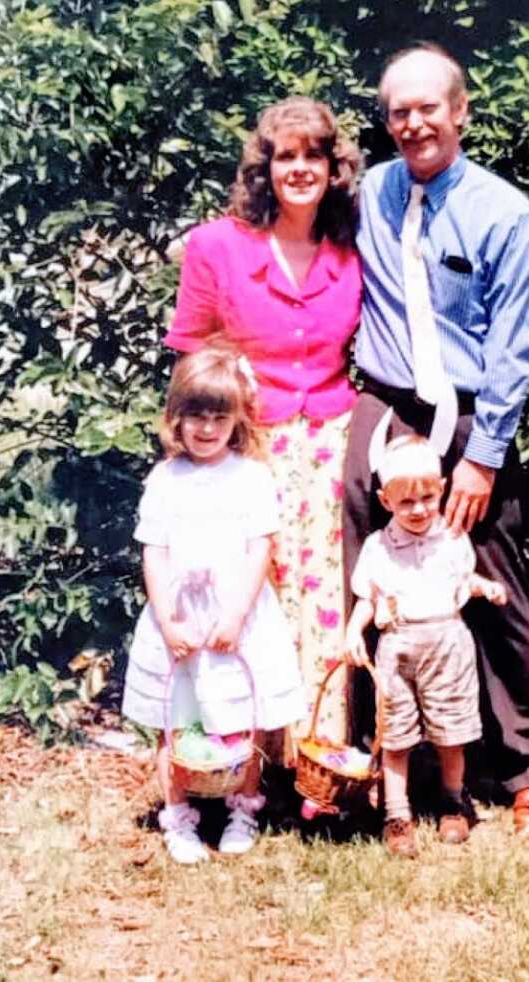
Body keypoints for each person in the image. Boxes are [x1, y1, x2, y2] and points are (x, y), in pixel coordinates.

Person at [344, 42, 529, 832]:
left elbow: (513, 346)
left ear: (460, 111)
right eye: (398, 111)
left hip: (469, 416)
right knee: (369, 583)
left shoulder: (505, 213)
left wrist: (483, 456)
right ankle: (377, 760)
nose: (413, 123)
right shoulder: (369, 192)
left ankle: (527, 766)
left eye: (428, 107)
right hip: (387, 407)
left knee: (488, 579)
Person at [164, 98, 362, 749]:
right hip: (251, 447)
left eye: (315, 155)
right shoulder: (216, 246)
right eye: (287, 156)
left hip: (332, 442)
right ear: (265, 167)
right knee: (254, 592)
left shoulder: (350, 246)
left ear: (334, 168)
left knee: (327, 599)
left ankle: (320, 757)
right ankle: (247, 758)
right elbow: (191, 349)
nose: (300, 169)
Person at [122, 344, 306, 864]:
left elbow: (259, 549)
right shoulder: (164, 479)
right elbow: (153, 553)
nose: (206, 428)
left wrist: (236, 615)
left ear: (236, 419)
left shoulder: (250, 477)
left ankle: (243, 807)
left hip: (236, 617)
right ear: (175, 419)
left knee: (242, 716)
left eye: (218, 417)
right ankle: (178, 815)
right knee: (175, 717)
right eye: (195, 416)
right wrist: (166, 620)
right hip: (179, 616)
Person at [344, 434, 508, 858]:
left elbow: (462, 582)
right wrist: (353, 632)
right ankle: (397, 814)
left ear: (441, 491)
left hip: (447, 643)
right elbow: (369, 597)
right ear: (385, 501)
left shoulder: (452, 538)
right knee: (395, 734)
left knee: (450, 730)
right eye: (406, 503)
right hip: (398, 646)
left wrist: (484, 587)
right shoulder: (379, 547)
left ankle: (453, 801)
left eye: (428, 498)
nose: (418, 510)